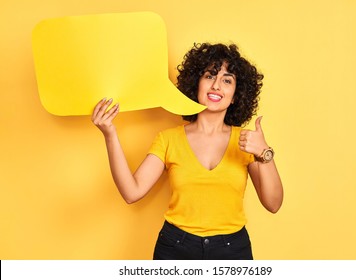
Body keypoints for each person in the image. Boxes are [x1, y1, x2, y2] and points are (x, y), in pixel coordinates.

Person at [91, 43, 283, 260]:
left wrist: (264, 153)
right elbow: (131, 192)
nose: (216, 86)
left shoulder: (248, 141)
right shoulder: (169, 139)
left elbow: (273, 204)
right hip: (175, 248)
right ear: (196, 84)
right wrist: (110, 134)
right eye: (210, 76)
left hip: (233, 250)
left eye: (227, 80)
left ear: (236, 95)